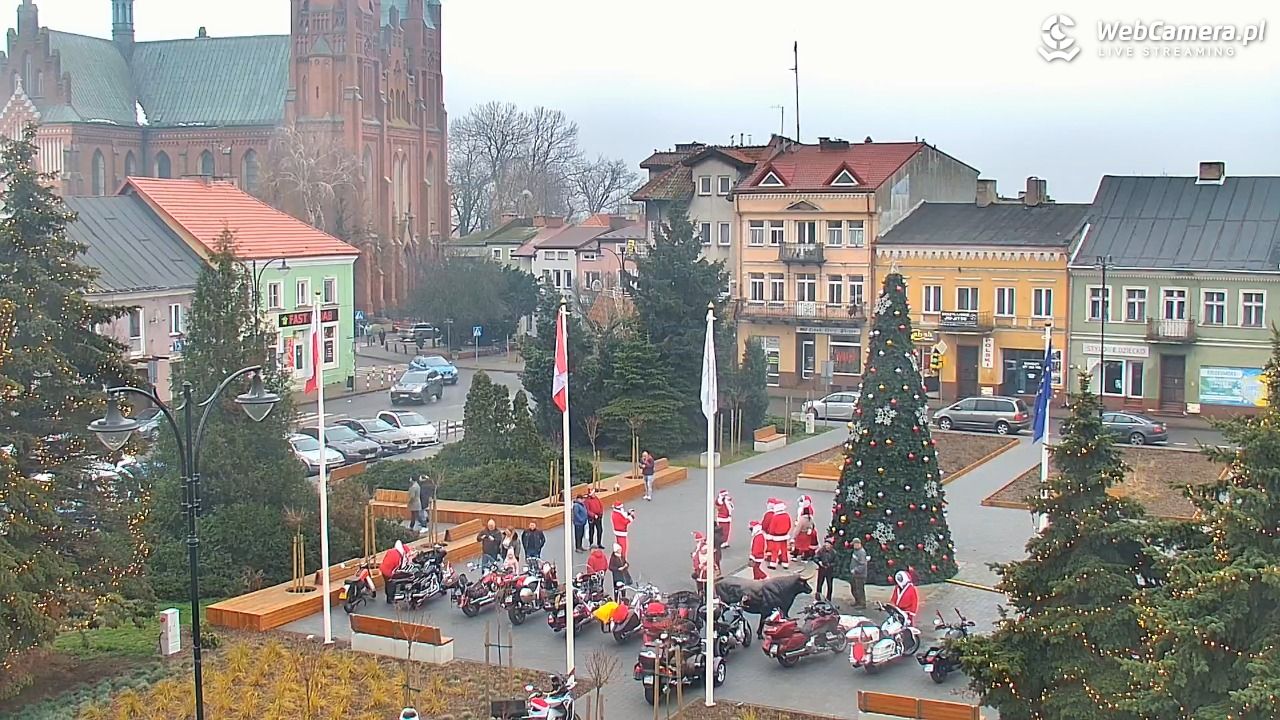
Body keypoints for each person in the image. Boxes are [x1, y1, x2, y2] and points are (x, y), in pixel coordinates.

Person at [764, 498, 792, 570]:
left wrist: (771, 534)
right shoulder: (787, 515)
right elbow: (789, 525)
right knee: (784, 550)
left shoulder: (776, 517)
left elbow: (772, 527)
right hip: (784, 535)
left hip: (776, 536)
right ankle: (785, 563)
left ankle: (773, 564)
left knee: (775, 550)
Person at [848, 538, 868, 610]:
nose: (853, 546)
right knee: (854, 588)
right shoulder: (855, 551)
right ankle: (857, 601)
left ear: (858, 544)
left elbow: (863, 565)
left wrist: (855, 570)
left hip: (860, 575)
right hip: (854, 574)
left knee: (859, 589)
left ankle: (862, 603)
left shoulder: (861, 552)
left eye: (854, 544)